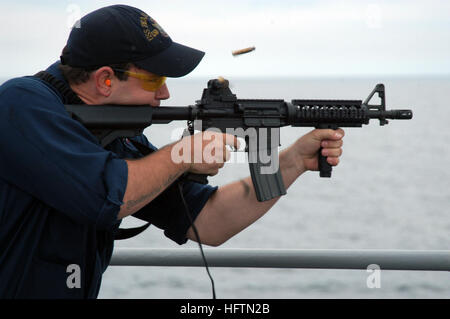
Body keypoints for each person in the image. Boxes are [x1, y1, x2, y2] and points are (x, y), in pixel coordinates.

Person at [0, 5, 344, 298]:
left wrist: (292, 162)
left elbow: (207, 223)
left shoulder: (116, 139)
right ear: (106, 79)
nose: (164, 94)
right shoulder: (20, 104)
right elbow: (107, 197)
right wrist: (181, 155)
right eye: (153, 81)